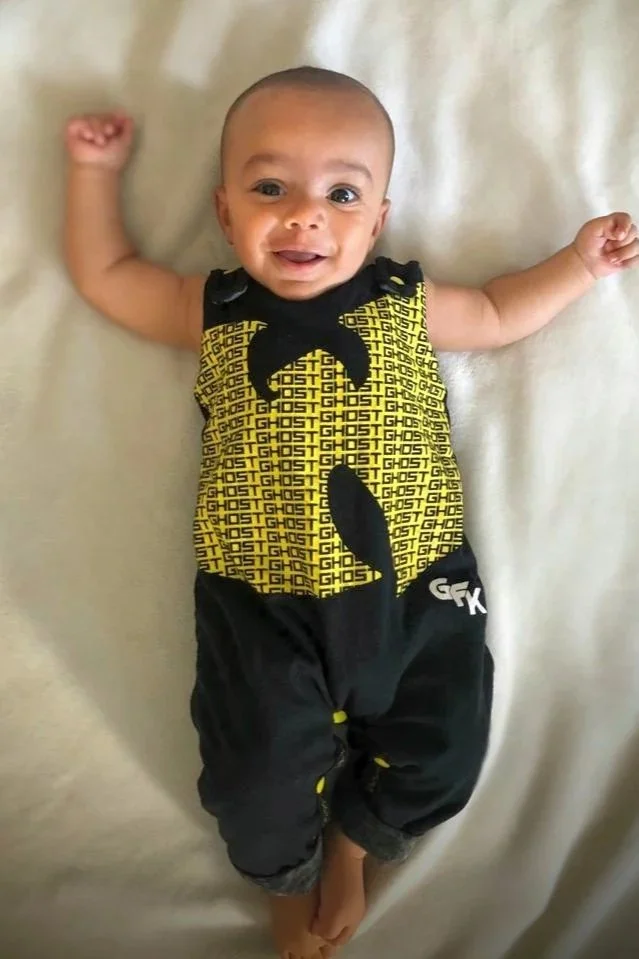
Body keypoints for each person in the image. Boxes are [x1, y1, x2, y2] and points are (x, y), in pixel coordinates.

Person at [63, 65, 637, 959]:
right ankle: (284, 875)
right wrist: (93, 175)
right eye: (269, 188)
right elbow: (107, 275)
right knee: (253, 771)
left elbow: (495, 311)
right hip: (261, 600)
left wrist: (577, 265)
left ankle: (356, 840)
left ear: (376, 221)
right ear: (223, 213)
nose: (304, 215)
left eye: (340, 194)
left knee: (445, 746)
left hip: (416, 585)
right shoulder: (214, 308)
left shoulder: (403, 302)